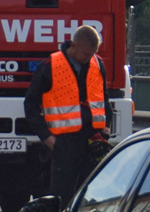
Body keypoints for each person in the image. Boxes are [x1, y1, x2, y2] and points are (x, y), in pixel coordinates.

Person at [25, 25, 114, 199]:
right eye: (86, 54)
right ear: (73, 46)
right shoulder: (50, 66)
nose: (89, 58)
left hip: (93, 141)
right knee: (62, 198)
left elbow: (104, 99)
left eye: (92, 54)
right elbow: (30, 105)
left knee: (92, 197)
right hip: (65, 143)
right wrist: (48, 139)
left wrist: (106, 129)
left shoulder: (97, 63)